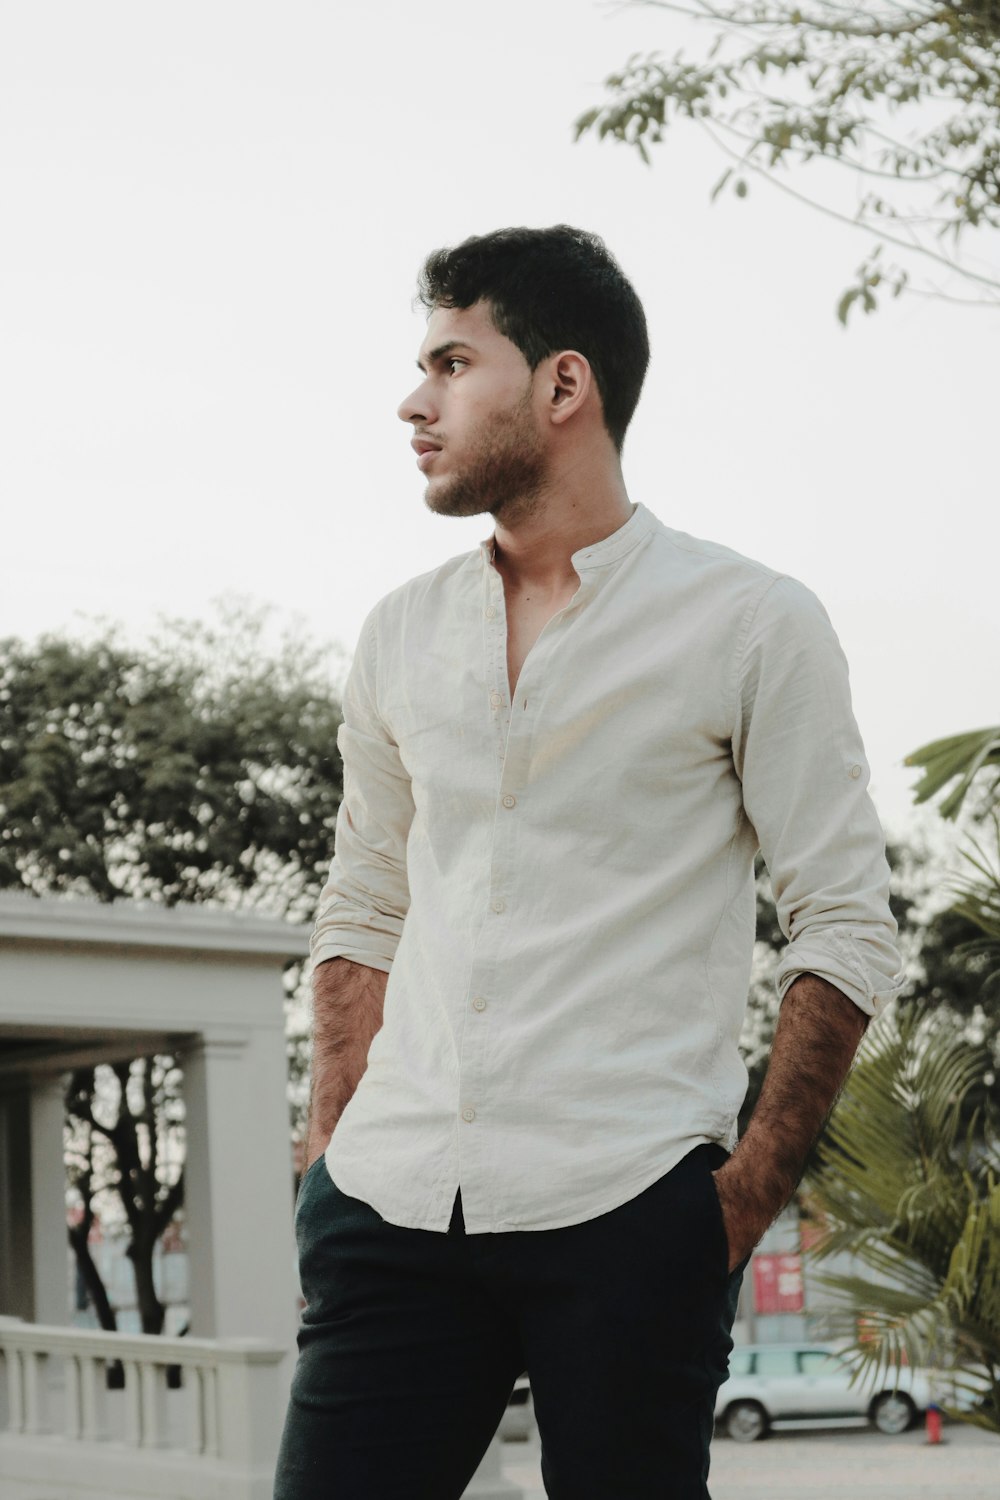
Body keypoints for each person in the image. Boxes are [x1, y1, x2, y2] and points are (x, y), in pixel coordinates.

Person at [273, 225, 901, 1500]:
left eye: (453, 362)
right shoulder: (400, 633)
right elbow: (365, 899)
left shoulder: (749, 622)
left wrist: (739, 1198)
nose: (414, 401)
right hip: (391, 1201)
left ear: (564, 387)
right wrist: (330, 1144)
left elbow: (841, 919)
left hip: (629, 1209)